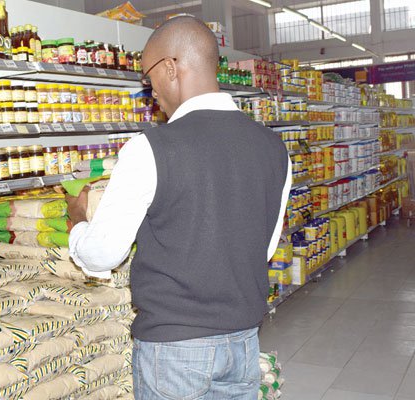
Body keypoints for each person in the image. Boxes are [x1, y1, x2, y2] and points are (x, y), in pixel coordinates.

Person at [66, 16, 291, 400]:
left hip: (174, 350)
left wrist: (77, 223)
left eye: (148, 78)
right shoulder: (273, 147)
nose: (150, 91)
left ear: (170, 67)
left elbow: (103, 255)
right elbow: (263, 247)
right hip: (243, 343)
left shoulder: (150, 148)